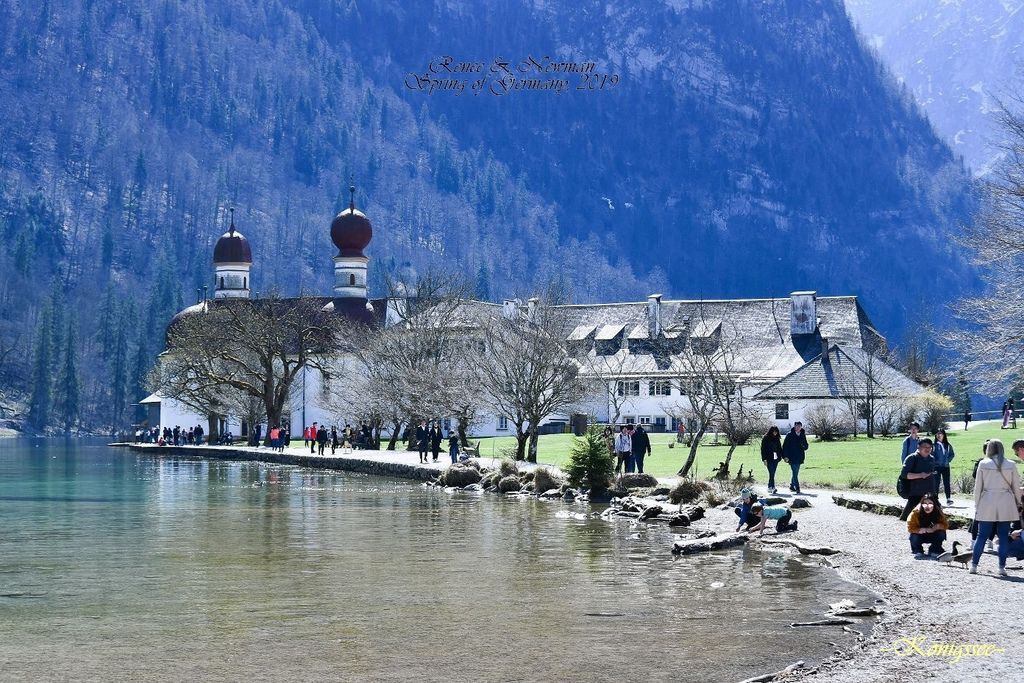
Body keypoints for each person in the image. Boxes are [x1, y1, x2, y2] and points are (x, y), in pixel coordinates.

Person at [970, 439, 1023, 576]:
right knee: (1003, 536)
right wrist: (1019, 502)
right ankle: (1001, 567)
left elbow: (978, 488)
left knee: (982, 536)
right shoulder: (1011, 464)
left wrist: (977, 504)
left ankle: (974, 565)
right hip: (1005, 501)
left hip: (987, 500)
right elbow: (1016, 487)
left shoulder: (983, 463)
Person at [899, 437, 936, 521]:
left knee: (934, 519)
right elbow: (904, 475)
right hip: (915, 494)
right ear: (918, 447)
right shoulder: (911, 458)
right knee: (907, 519)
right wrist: (920, 475)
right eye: (925, 446)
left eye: (929, 447)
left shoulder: (932, 459)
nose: (927, 449)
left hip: (930, 494)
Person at [782, 421, 808, 494]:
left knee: (795, 473)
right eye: (797, 426)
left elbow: (806, 445)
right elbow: (785, 446)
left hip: (799, 456)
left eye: (799, 426)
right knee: (794, 472)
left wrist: (804, 446)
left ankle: (791, 485)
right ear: (794, 426)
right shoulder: (789, 435)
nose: (798, 428)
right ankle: (797, 487)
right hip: (791, 456)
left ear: (801, 427)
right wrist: (785, 456)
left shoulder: (802, 434)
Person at [932, 429, 956, 506]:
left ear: (944, 435)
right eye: (937, 434)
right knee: (936, 483)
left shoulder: (948, 445)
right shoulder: (934, 446)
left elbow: (952, 454)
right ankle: (935, 499)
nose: (939, 435)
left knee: (947, 483)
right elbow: (931, 455)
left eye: (941, 434)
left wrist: (947, 460)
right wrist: (935, 462)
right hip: (936, 467)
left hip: (945, 467)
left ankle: (948, 499)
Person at [760, 426, 784, 495]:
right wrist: (764, 459)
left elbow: (780, 448)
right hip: (768, 458)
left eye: (776, 431)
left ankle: (770, 486)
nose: (775, 433)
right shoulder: (766, 438)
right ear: (771, 431)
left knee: (772, 473)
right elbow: (763, 449)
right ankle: (772, 487)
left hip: (776, 458)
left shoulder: (777, 439)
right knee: (771, 472)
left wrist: (782, 456)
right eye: (774, 431)